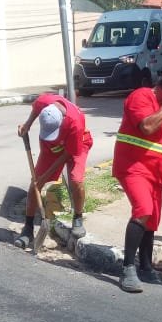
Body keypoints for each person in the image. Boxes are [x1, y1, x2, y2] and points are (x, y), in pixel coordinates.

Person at [112, 72, 162, 292]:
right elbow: (147, 127)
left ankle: (146, 268)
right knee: (143, 209)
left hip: (156, 174)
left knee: (152, 219)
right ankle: (128, 268)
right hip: (134, 167)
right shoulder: (141, 96)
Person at [15, 92, 93, 248]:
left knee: (76, 180)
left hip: (77, 144)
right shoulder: (44, 101)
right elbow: (36, 108)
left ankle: (77, 217)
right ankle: (28, 228)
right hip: (52, 147)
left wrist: (46, 176)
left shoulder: (75, 122)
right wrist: (28, 124)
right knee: (35, 183)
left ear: (62, 120)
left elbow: (68, 153)